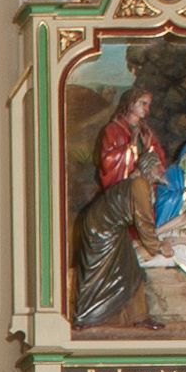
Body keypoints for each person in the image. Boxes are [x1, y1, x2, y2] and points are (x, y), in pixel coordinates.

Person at [71, 85, 167, 329]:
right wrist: (130, 149)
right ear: (131, 103)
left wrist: (147, 149)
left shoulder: (145, 133)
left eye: (148, 104)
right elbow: (108, 163)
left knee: (131, 271)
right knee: (98, 272)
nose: (147, 109)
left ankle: (138, 317)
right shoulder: (114, 130)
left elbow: (155, 158)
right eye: (143, 103)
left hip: (115, 224)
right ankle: (85, 317)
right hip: (101, 227)